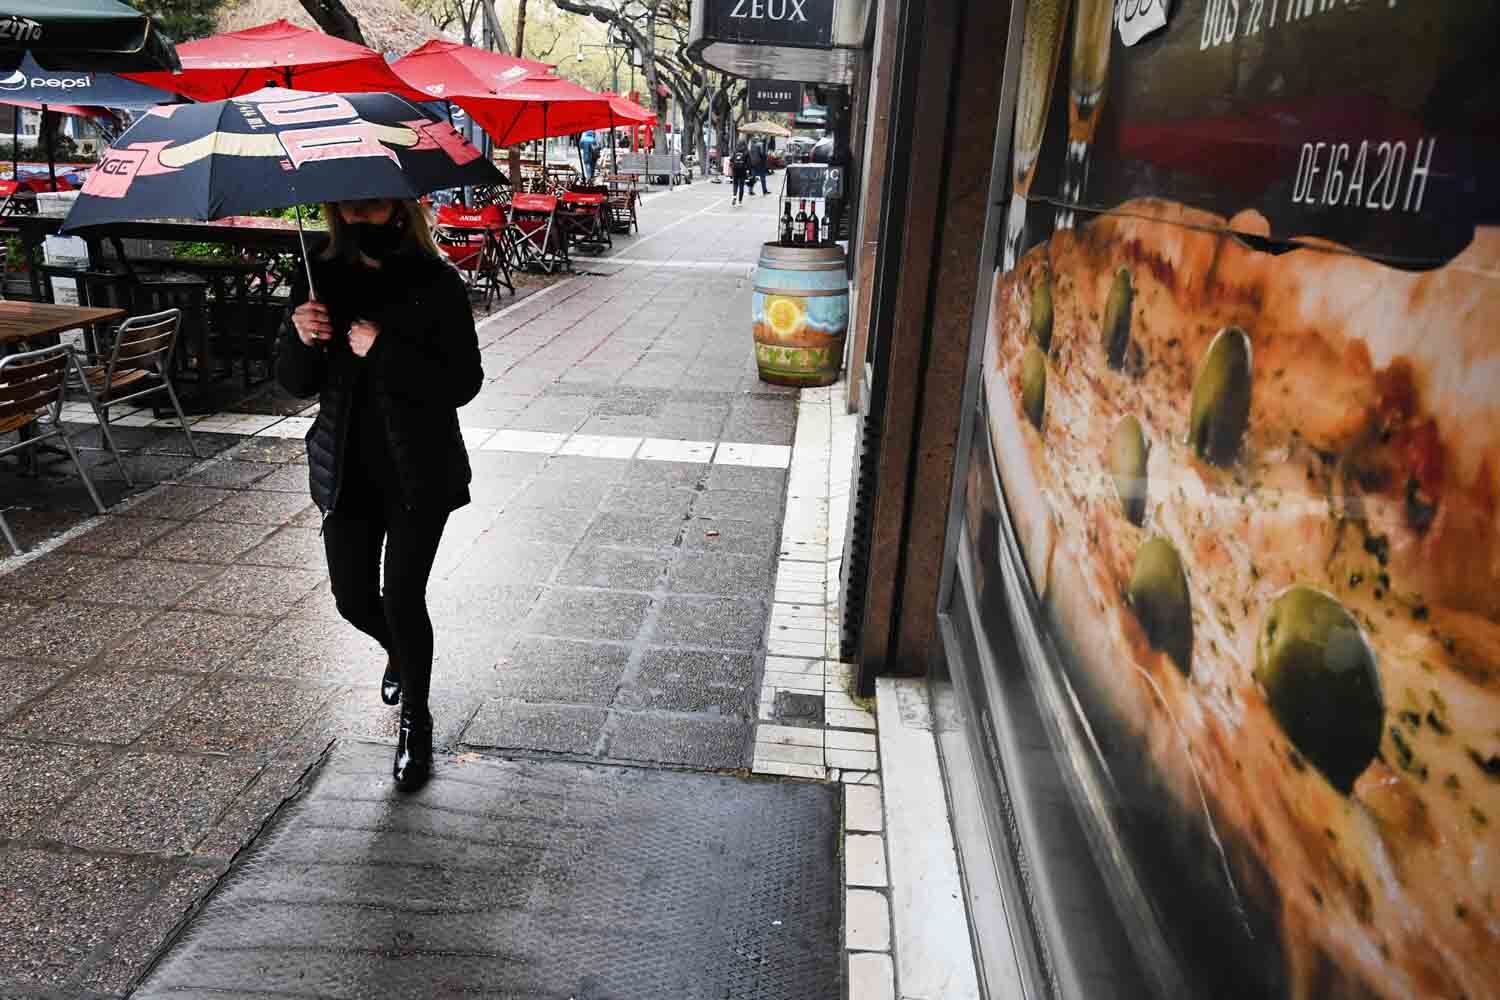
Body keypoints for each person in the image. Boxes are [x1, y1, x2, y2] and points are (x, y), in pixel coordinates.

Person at [276, 197, 482, 791]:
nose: (361, 207)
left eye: (375, 197)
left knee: (402, 597)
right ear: (334, 206)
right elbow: (294, 384)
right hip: (346, 465)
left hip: (420, 469)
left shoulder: (435, 279)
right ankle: (401, 654)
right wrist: (300, 335)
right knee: (351, 598)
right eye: (350, 199)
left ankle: (416, 723)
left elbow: (463, 381)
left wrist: (385, 347)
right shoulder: (318, 273)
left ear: (400, 204)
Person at [730, 141, 750, 205]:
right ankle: (740, 201)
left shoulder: (735, 150)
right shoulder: (746, 151)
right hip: (743, 170)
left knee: (735, 184)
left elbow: (731, 159)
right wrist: (748, 170)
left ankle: (734, 197)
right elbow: (749, 162)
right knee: (741, 185)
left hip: (735, 169)